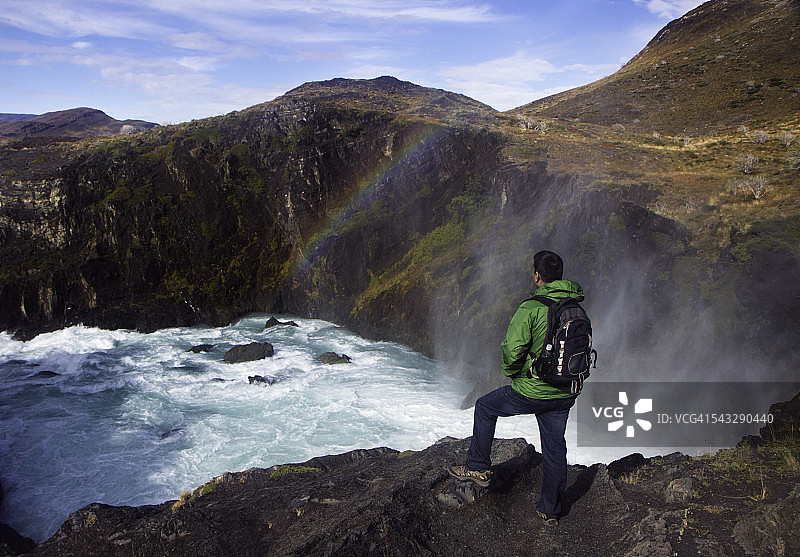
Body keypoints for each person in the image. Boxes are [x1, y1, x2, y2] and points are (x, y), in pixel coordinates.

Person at [448, 250, 584, 526]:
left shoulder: (531, 308)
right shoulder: (576, 308)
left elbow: (512, 350)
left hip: (533, 390)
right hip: (565, 392)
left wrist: (515, 374)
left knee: (485, 407)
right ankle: (550, 510)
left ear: (537, 275)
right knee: (555, 449)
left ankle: (477, 469)